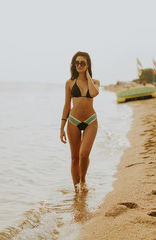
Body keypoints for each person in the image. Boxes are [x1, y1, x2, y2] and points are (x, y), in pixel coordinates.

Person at [60, 51, 100, 193]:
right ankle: (77, 190)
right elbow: (66, 105)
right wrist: (61, 127)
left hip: (90, 121)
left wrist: (87, 74)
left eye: (82, 63)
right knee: (74, 157)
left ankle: (83, 180)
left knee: (84, 154)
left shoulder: (95, 82)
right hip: (73, 121)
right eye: (76, 63)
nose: (79, 65)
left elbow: (94, 93)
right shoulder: (69, 83)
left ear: (87, 64)